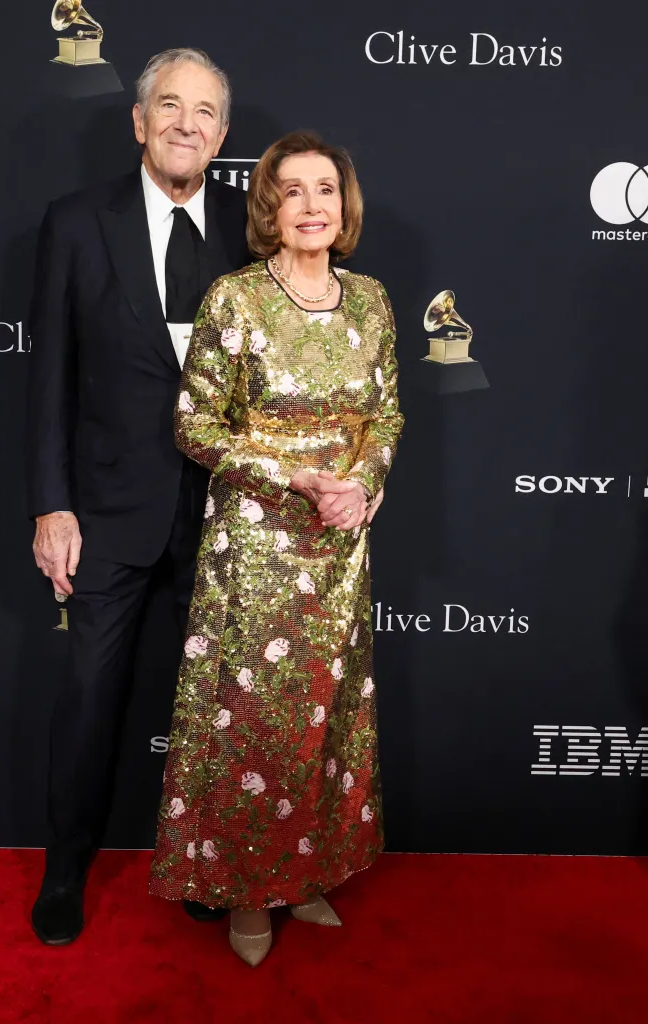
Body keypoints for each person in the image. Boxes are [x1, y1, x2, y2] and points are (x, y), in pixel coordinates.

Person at [149, 130, 404, 965]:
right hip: (255, 546)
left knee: (324, 723)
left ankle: (307, 875)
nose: (309, 207)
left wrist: (360, 485)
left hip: (338, 543)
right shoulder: (236, 300)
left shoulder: (370, 300)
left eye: (323, 189)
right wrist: (296, 479)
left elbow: (387, 415)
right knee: (252, 726)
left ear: (344, 205)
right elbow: (194, 424)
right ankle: (244, 892)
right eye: (289, 191)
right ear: (268, 208)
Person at [25, 48, 251, 945]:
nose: (185, 123)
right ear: (138, 121)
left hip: (228, 515)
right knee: (88, 699)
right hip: (109, 512)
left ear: (222, 135)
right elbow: (48, 377)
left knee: (212, 705)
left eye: (203, 111)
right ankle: (64, 870)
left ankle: (208, 864)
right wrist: (52, 503)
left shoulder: (253, 226)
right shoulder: (77, 222)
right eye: (169, 105)